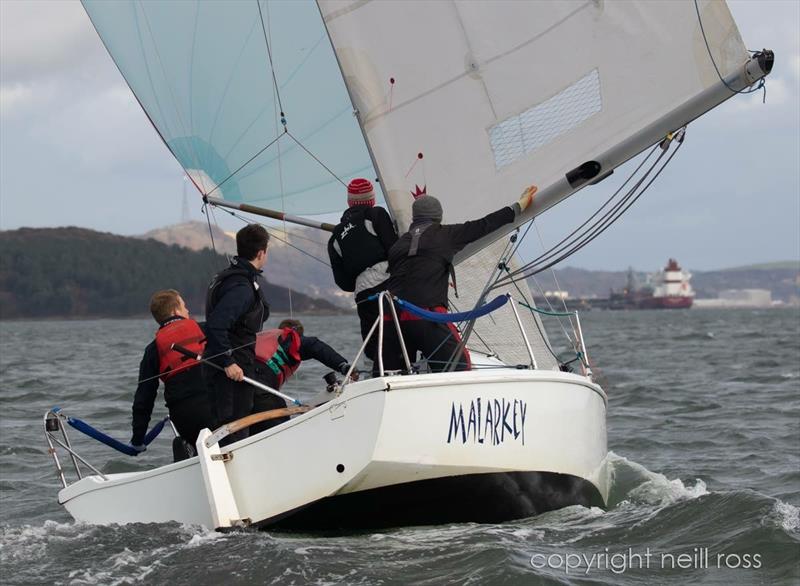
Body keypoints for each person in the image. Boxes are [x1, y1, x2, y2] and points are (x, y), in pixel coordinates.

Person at [385, 186, 537, 372]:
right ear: (438, 216)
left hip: (391, 320)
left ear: (415, 217)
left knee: (396, 375)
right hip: (426, 317)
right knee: (460, 365)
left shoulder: (398, 245)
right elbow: (484, 224)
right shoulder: (446, 235)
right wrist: (518, 206)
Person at [204, 224, 271, 446]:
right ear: (261, 253)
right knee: (233, 428)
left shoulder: (233, 277)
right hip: (232, 371)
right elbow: (216, 324)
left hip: (230, 366)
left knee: (234, 425)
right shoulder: (240, 286)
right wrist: (228, 362)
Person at [130, 289, 215, 460]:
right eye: (184, 306)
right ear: (175, 311)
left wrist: (138, 439)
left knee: (195, 442)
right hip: (215, 407)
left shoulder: (153, 350)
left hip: (184, 416)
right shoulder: (206, 329)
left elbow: (143, 399)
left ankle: (185, 448)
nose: (188, 311)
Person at [328, 178, 398, 368]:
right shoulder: (375, 215)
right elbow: (394, 249)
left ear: (349, 203)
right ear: (372, 200)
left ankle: (378, 376)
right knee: (399, 334)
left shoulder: (335, 237)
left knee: (374, 343)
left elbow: (344, 283)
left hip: (363, 293)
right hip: (388, 284)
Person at [248, 318, 357, 434]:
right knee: (280, 425)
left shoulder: (263, 337)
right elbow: (315, 346)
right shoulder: (291, 338)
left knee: (248, 429)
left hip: (237, 383)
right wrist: (343, 366)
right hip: (260, 384)